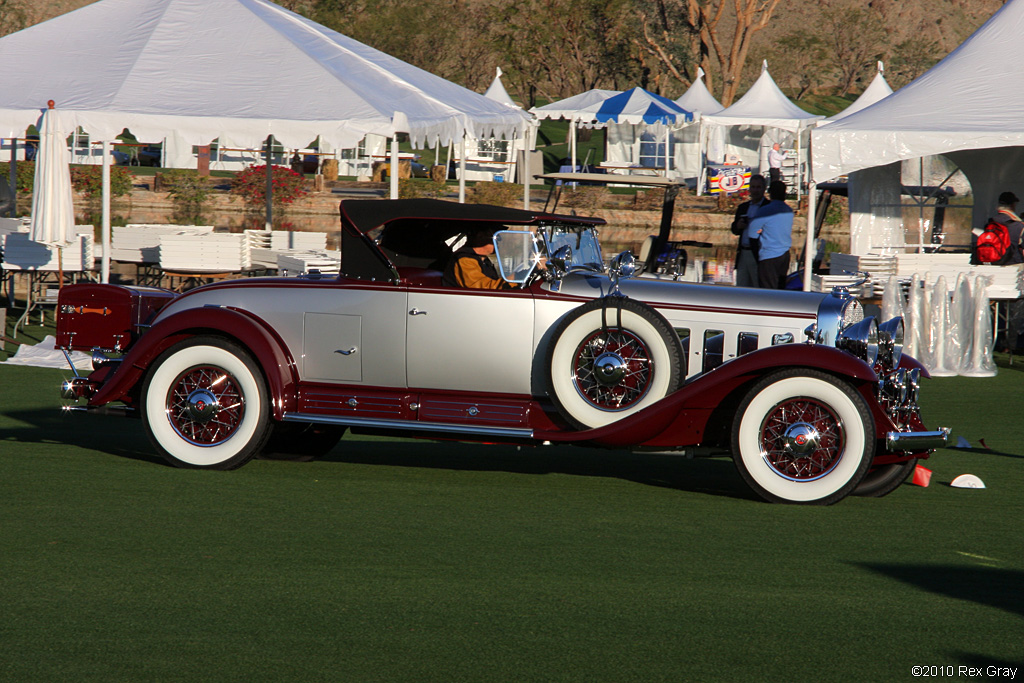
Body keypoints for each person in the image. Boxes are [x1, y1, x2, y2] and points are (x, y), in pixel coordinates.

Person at [993, 191, 1024, 351]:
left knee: (998, 308)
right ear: (1012, 205)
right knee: (1016, 309)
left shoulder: (991, 222)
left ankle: (996, 340)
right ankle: (1012, 343)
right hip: (1015, 269)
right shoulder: (1018, 225)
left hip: (994, 270)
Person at [750, 180, 794, 289]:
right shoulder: (788, 210)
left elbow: (752, 233)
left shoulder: (766, 210)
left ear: (770, 193)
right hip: (785, 254)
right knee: (780, 287)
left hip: (769, 255)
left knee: (767, 290)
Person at [730, 174, 768, 288]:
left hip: (758, 254)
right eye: (753, 187)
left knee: (758, 286)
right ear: (749, 189)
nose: (755, 190)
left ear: (763, 189)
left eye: (758, 187)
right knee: (741, 287)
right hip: (743, 253)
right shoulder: (743, 207)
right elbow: (734, 230)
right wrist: (738, 225)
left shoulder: (768, 207)